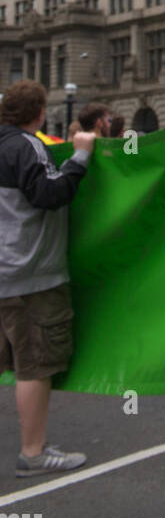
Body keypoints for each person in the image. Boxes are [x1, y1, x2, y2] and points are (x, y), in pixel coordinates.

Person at [0, 80, 96, 475]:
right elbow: (49, 193)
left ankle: (34, 448)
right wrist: (80, 159)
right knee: (34, 367)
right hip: (29, 276)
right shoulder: (25, 146)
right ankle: (34, 453)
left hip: (6, 273)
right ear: (39, 113)